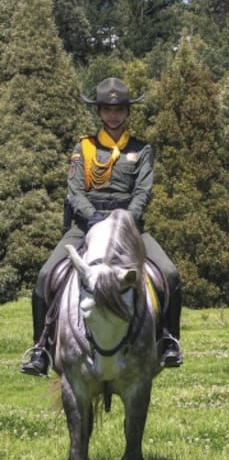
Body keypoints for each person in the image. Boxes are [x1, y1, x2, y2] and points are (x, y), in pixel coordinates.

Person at [20, 77, 183, 376]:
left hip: (129, 227)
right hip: (85, 225)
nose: (113, 115)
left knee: (169, 274)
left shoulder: (141, 149)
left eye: (119, 109)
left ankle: (170, 340)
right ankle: (41, 349)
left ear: (128, 112)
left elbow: (143, 192)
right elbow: (75, 190)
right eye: (107, 109)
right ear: (98, 112)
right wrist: (93, 216)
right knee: (45, 276)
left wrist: (126, 219)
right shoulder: (83, 147)